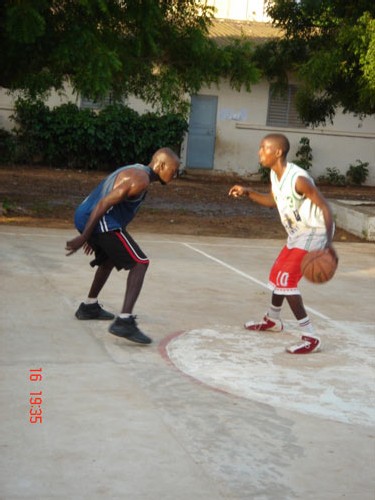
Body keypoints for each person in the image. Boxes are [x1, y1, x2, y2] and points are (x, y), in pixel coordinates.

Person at [228, 133, 338, 354]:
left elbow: (325, 207)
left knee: (285, 279)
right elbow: (272, 201)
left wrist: (328, 244)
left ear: (277, 152)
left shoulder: (299, 179)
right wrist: (248, 192)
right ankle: (273, 320)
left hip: (314, 230)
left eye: (263, 148)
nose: (260, 152)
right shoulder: (274, 174)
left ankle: (310, 336)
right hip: (298, 232)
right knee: (277, 274)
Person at [65, 147, 180, 345]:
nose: (175, 175)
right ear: (160, 165)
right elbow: (103, 204)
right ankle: (124, 321)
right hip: (98, 217)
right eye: (174, 170)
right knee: (140, 263)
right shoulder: (140, 179)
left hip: (93, 218)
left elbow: (119, 209)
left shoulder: (139, 172)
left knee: (109, 259)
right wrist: (86, 236)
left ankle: (89, 307)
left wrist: (93, 234)